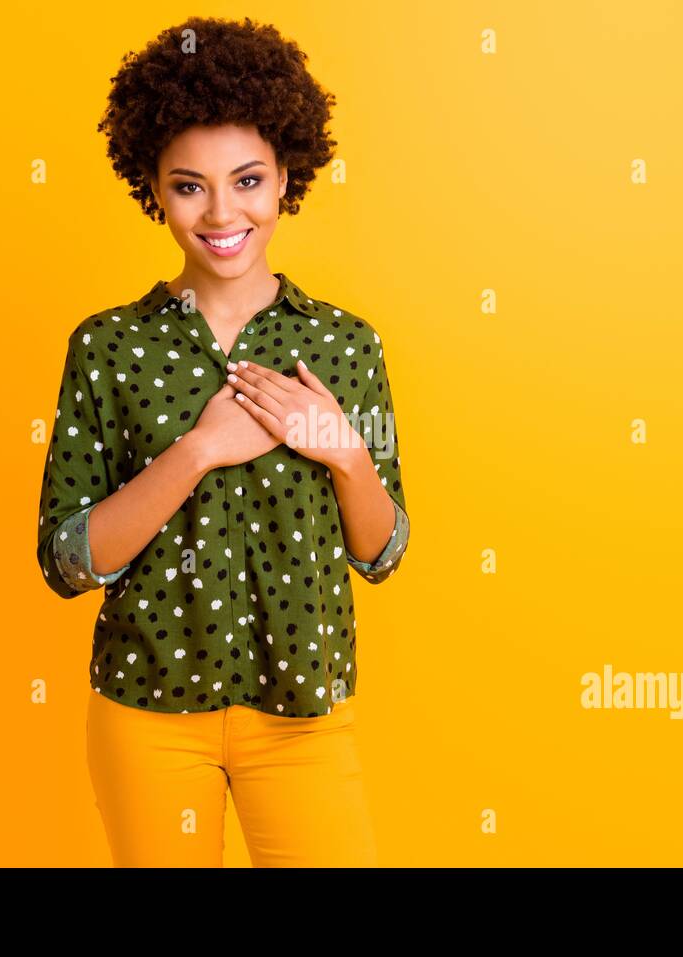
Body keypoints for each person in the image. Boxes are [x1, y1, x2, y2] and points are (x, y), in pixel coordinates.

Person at [35, 15, 411, 867]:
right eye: (189, 185)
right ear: (154, 190)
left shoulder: (347, 346)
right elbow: (66, 561)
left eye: (246, 180)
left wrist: (343, 452)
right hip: (147, 716)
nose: (221, 212)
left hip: (303, 718)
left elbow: (383, 552)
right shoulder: (107, 347)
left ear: (287, 177)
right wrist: (197, 449)